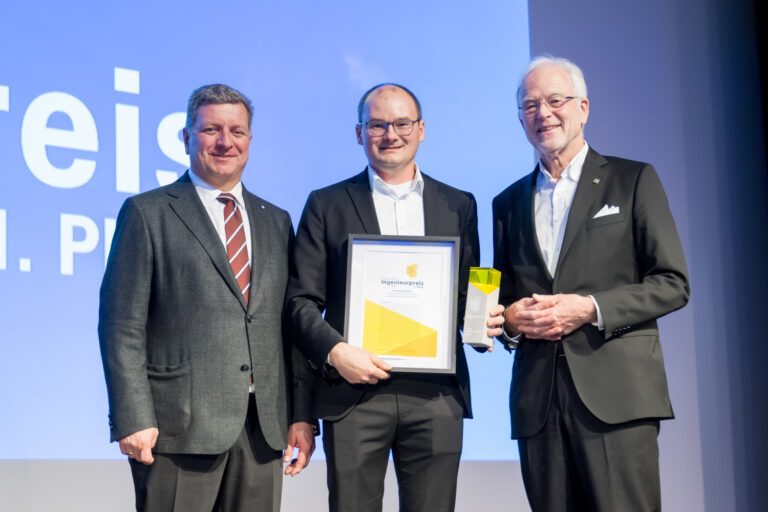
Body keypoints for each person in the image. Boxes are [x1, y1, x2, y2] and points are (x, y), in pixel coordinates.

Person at [98, 83, 315, 512]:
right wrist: (133, 416)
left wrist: (301, 414)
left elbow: (288, 326)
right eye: (210, 130)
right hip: (176, 429)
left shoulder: (276, 221)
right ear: (185, 137)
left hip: (262, 430)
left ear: (250, 140)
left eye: (236, 131)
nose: (224, 142)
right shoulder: (148, 212)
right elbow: (121, 325)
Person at [489, 56, 690, 511]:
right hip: (538, 403)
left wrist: (590, 308)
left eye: (555, 100)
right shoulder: (507, 202)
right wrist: (513, 322)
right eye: (530, 105)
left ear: (583, 108)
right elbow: (503, 304)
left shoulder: (631, 179)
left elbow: (672, 282)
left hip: (616, 397)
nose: (543, 113)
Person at [284, 83, 481, 512]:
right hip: (353, 394)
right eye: (377, 124)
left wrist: (487, 321)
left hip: (435, 395)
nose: (390, 133)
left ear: (421, 129)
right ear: (359, 133)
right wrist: (336, 351)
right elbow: (299, 303)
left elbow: (465, 296)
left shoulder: (458, 205)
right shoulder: (326, 204)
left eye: (402, 123)